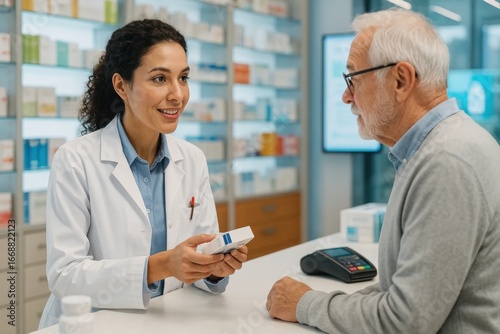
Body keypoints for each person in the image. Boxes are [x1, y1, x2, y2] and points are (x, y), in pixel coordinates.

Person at [266, 8, 500, 333]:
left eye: (354, 80)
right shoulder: (434, 148)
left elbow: (406, 321)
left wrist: (305, 305)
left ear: (401, 80)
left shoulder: (447, 161)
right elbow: (399, 293)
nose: (346, 96)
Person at [39, 19, 248, 328]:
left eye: (184, 78)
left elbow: (199, 254)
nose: (178, 94)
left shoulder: (191, 159)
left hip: (169, 321)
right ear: (122, 85)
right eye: (160, 79)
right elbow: (65, 275)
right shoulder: (75, 160)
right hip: (96, 324)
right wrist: (160, 266)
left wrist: (214, 266)